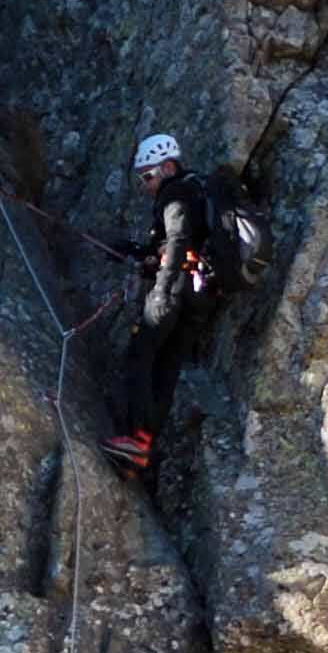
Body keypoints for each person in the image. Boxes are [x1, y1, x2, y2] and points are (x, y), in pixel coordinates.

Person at [101, 133, 227, 482]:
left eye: (148, 177)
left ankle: (137, 442)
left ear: (168, 166)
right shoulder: (199, 191)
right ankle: (143, 445)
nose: (147, 186)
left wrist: (162, 292)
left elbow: (177, 240)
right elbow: (178, 245)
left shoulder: (175, 192)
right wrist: (139, 253)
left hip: (176, 288)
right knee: (166, 367)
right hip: (202, 295)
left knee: (139, 357)